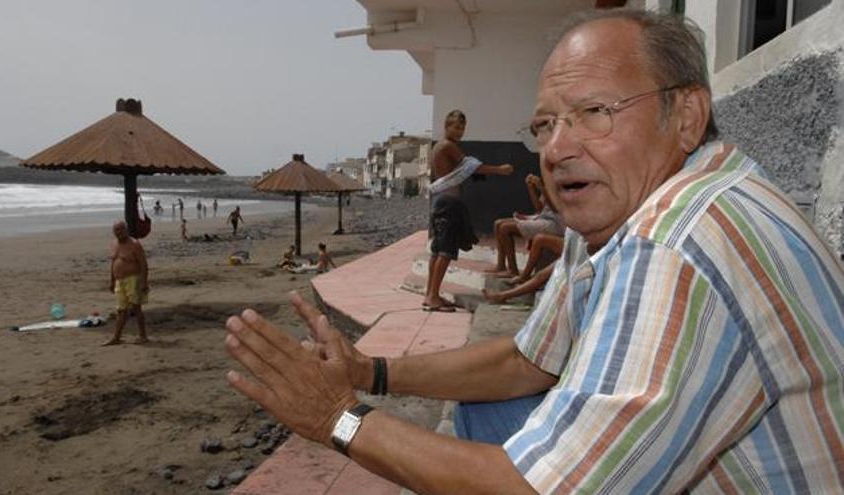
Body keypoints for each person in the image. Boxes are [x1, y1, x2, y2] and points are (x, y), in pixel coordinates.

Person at [222, 10, 844, 494]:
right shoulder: (624, 208)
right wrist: (369, 373)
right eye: (545, 125)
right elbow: (530, 361)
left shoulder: (675, 245)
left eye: (594, 112)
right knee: (486, 412)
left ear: (685, 116)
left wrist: (338, 416)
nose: (557, 148)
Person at [423, 109, 514, 311]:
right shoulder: (448, 146)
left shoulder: (440, 146)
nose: (460, 131)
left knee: (437, 251)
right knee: (445, 251)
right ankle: (432, 296)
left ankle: (431, 293)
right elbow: (471, 167)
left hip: (440, 200)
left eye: (462, 127)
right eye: (456, 126)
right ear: (447, 126)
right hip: (448, 202)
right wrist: (500, 170)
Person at [487, 174, 565, 278]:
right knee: (498, 223)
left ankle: (512, 269)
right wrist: (531, 188)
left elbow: (556, 209)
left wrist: (542, 187)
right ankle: (501, 265)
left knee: (505, 228)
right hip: (543, 218)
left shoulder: (564, 185)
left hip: (557, 223)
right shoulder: (550, 181)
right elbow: (539, 208)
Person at [104, 221, 149, 346]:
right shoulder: (114, 245)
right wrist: (112, 281)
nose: (119, 232)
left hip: (133, 279)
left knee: (136, 308)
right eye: (116, 230)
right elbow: (113, 263)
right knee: (121, 310)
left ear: (126, 230)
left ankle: (143, 336)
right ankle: (116, 337)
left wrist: (144, 282)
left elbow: (144, 265)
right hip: (119, 281)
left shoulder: (135, 244)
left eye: (121, 229)